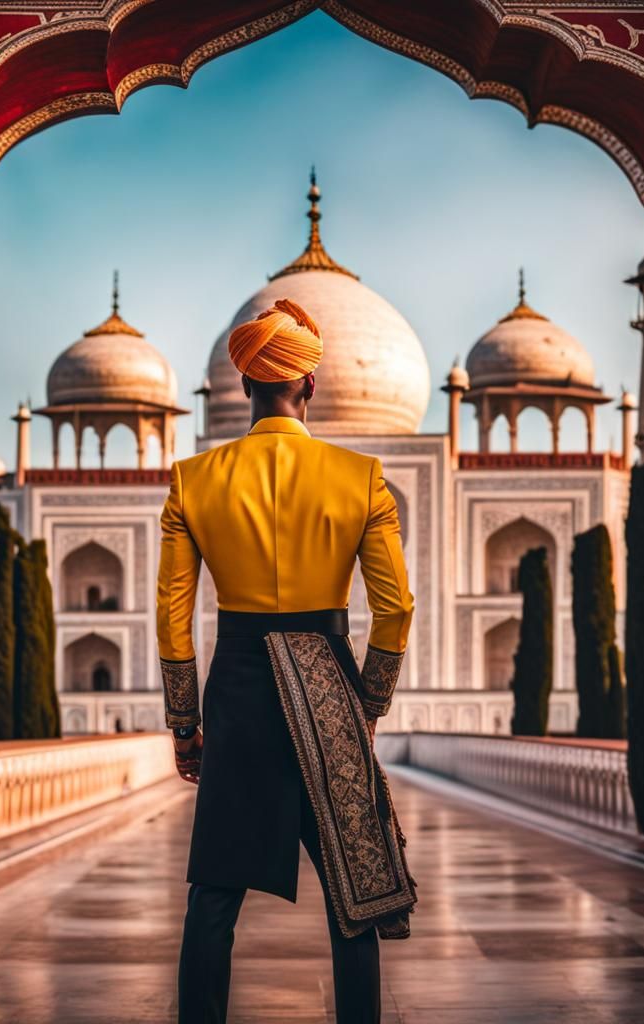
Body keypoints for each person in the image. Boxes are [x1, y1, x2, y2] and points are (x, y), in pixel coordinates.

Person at [157, 298, 416, 1024]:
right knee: (354, 895)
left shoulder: (194, 479)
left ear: (241, 386)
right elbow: (395, 608)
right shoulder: (360, 477)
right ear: (310, 384)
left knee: (213, 894)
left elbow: (174, 618)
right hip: (326, 679)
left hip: (237, 687)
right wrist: (365, 703)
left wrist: (185, 723)